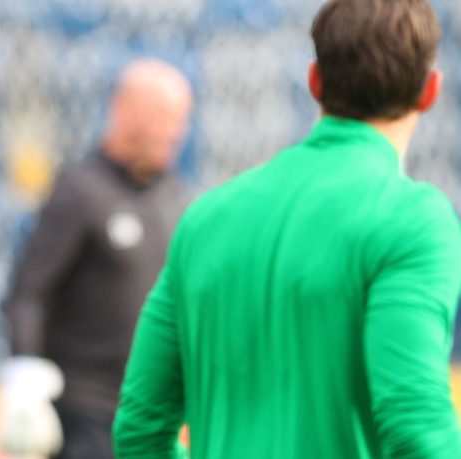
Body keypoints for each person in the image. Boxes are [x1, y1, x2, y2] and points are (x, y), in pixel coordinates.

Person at [113, 0, 461, 458]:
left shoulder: (205, 219)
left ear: (314, 82)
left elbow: (140, 432)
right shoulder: (412, 219)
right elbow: (416, 426)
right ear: (430, 90)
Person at [0, 58, 194, 459]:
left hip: (152, 417)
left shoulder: (177, 200)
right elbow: (30, 292)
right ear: (123, 112)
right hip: (84, 415)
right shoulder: (79, 191)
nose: (174, 131)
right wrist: (25, 375)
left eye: (180, 119)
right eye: (162, 117)